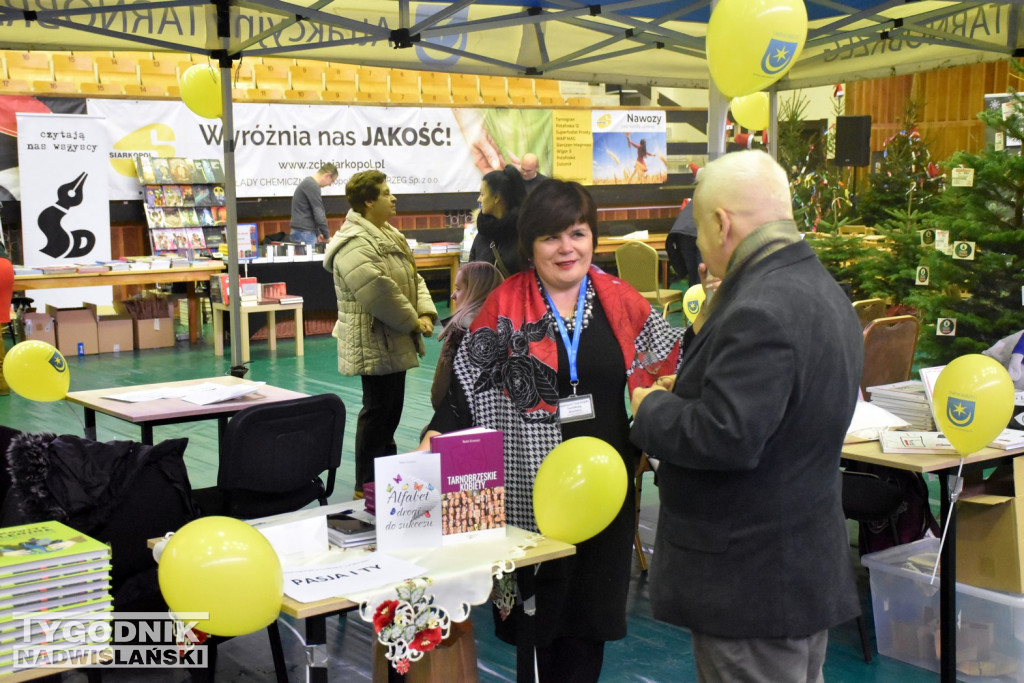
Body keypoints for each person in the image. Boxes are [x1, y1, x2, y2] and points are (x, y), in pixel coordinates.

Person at [422, 178, 684, 683]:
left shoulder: (619, 299)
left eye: (578, 233)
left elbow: (672, 366)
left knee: (589, 625)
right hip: (530, 497)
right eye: (551, 237)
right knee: (536, 631)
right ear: (530, 245)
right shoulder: (504, 305)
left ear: (593, 238)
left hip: (605, 495)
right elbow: (465, 390)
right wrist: (439, 431)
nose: (567, 248)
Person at [629, 150, 863, 683]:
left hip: (750, 580)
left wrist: (653, 407)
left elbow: (727, 436)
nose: (703, 254)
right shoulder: (819, 288)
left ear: (721, 223)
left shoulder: (761, 305)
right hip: (791, 568)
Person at [323, 170, 437, 496]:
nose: (394, 198)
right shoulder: (353, 243)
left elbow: (413, 279)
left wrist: (426, 312)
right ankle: (366, 485)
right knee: (377, 412)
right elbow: (379, 291)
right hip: (372, 339)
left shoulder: (388, 233)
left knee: (390, 413)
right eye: (387, 193)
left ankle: (383, 479)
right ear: (369, 201)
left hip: (393, 336)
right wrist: (414, 322)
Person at [430, 261, 504, 410]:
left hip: (465, 418)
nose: (453, 295)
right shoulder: (513, 327)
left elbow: (440, 390)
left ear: (475, 292)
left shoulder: (460, 331)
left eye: (458, 289)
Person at [468, 165, 526, 277]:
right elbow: (471, 277)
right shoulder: (483, 233)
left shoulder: (524, 236)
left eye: (482, 194)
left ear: (496, 198)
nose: (478, 199)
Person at [290, 163, 337, 248]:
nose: (330, 184)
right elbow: (318, 212)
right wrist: (327, 236)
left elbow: (310, 211)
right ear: (327, 175)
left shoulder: (309, 183)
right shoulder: (312, 185)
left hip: (302, 232)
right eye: (332, 181)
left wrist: (318, 232)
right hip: (305, 233)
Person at [666, 199, 701, 288]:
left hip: (683, 231)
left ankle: (694, 300)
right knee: (702, 273)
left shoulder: (701, 193)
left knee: (693, 274)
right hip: (697, 230)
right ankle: (699, 299)